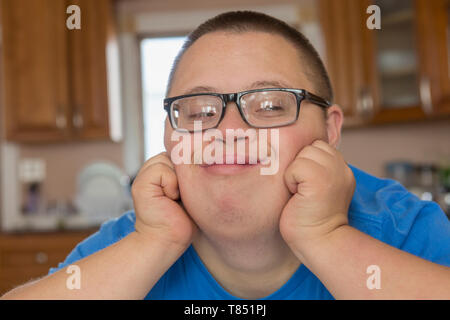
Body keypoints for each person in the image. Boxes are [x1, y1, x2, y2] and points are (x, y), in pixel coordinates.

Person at [2, 11, 449, 300]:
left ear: (330, 130)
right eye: (198, 110)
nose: (228, 131)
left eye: (270, 105)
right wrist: (153, 243)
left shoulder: (405, 230)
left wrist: (327, 237)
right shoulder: (135, 240)